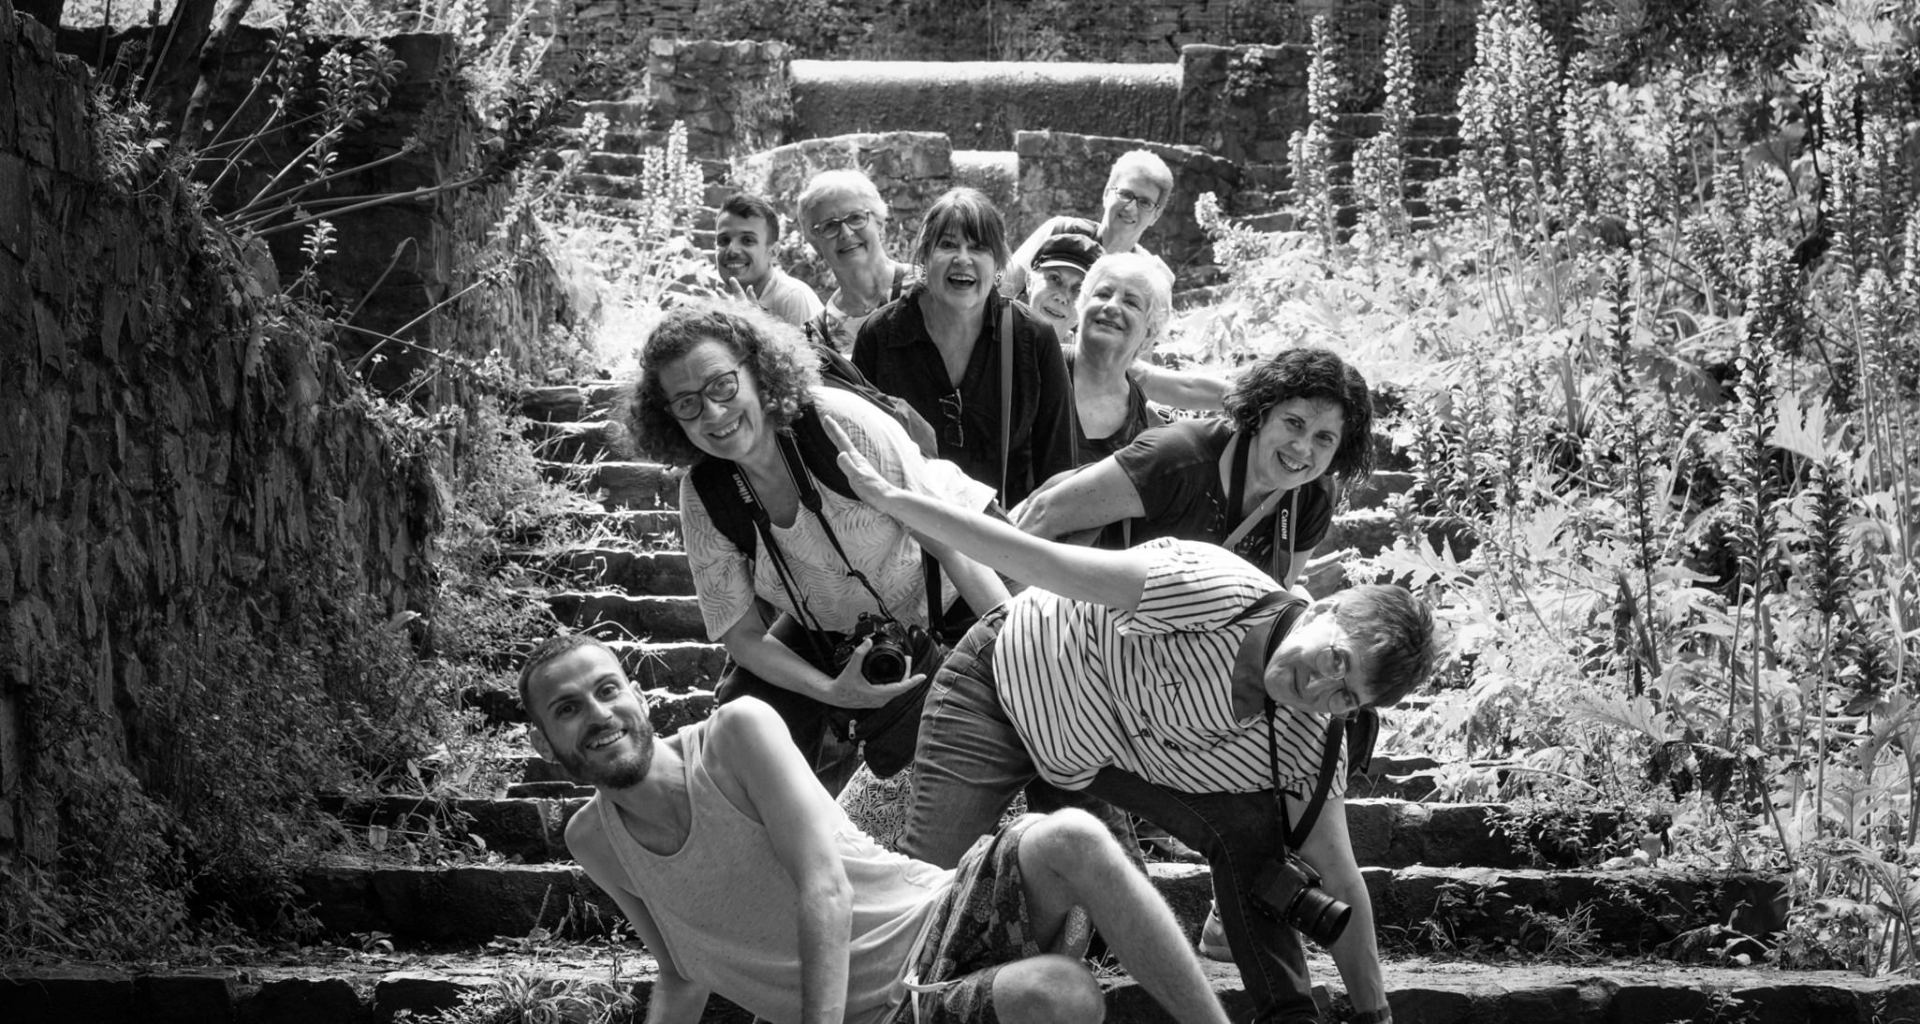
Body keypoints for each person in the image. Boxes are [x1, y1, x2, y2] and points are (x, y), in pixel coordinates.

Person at [821, 417, 1433, 1024]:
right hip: (1000, 685)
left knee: (1227, 851)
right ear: (1322, 609)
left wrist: (1375, 1014)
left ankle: (1287, 1015)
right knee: (930, 897)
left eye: (1345, 695)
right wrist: (894, 499)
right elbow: (1035, 559)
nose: (1319, 687)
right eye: (1335, 660)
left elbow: (1340, 880)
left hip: (1088, 756)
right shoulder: (1211, 588)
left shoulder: (1309, 740)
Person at [519, 633, 1238, 1024]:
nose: (598, 715)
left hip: (938, 916)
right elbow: (680, 972)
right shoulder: (594, 841)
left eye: (607, 689)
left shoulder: (735, 733)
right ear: (544, 743)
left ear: (639, 697)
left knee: (1071, 836)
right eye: (568, 709)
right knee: (1061, 995)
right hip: (893, 1013)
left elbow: (824, 888)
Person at [625, 301, 1009, 793]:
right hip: (837, 628)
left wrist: (1010, 648)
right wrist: (832, 691)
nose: (713, 413)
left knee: (1031, 688)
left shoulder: (836, 424)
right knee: (744, 712)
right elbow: (742, 635)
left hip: (958, 572)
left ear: (758, 370)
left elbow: (949, 540)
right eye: (687, 404)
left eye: (722, 385)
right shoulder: (706, 495)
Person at [1014, 347, 1373, 594]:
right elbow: (1045, 513)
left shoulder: (1312, 496)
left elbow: (1271, 596)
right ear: (1262, 412)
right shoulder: (1177, 458)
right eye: (1294, 423)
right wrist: (1000, 621)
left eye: (1324, 438)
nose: (1303, 448)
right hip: (1078, 611)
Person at [853, 187, 1074, 509]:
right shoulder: (881, 336)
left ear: (998, 263)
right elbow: (860, 454)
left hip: (1008, 530)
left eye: (979, 247)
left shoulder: (1033, 338)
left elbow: (1058, 467)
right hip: (907, 528)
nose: (963, 259)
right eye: (947, 245)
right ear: (924, 256)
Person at [1001, 149, 1177, 303]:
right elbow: (1002, 290)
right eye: (1125, 194)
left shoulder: (1150, 275)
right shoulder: (1060, 231)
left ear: (1156, 215)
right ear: (1106, 194)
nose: (1131, 208)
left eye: (1145, 202)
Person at [795, 170, 914, 351]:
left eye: (856, 218)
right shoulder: (815, 338)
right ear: (816, 243)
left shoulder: (928, 285)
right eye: (830, 225)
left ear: (880, 224)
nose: (846, 233)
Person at [716, 192, 826, 326]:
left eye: (747, 240)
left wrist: (753, 327)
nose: (732, 250)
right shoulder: (728, 302)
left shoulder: (791, 298)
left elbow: (809, 341)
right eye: (724, 240)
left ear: (773, 252)